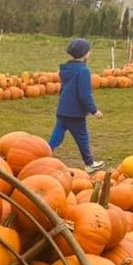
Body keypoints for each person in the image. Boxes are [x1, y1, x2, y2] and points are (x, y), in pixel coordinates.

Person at [48, 38, 104, 173]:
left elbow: (63, 89)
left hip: (63, 109)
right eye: (89, 51)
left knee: (57, 136)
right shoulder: (83, 71)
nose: (90, 53)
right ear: (84, 54)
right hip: (75, 113)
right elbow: (84, 94)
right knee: (82, 138)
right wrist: (94, 110)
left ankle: (42, 155)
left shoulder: (65, 69)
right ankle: (89, 164)